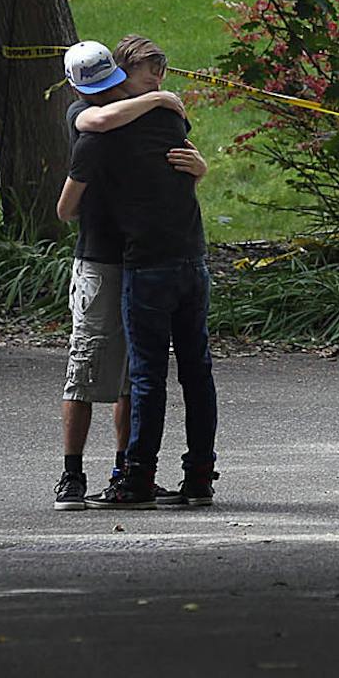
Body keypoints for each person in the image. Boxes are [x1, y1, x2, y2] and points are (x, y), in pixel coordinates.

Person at [57, 35, 217, 509]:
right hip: (182, 257)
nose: (159, 80)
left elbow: (64, 210)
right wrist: (164, 101)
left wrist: (200, 166)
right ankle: (197, 476)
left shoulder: (107, 135)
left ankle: (134, 477)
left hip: (144, 262)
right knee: (193, 371)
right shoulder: (105, 121)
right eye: (149, 72)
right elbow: (104, 118)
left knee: (142, 376)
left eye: (160, 73)